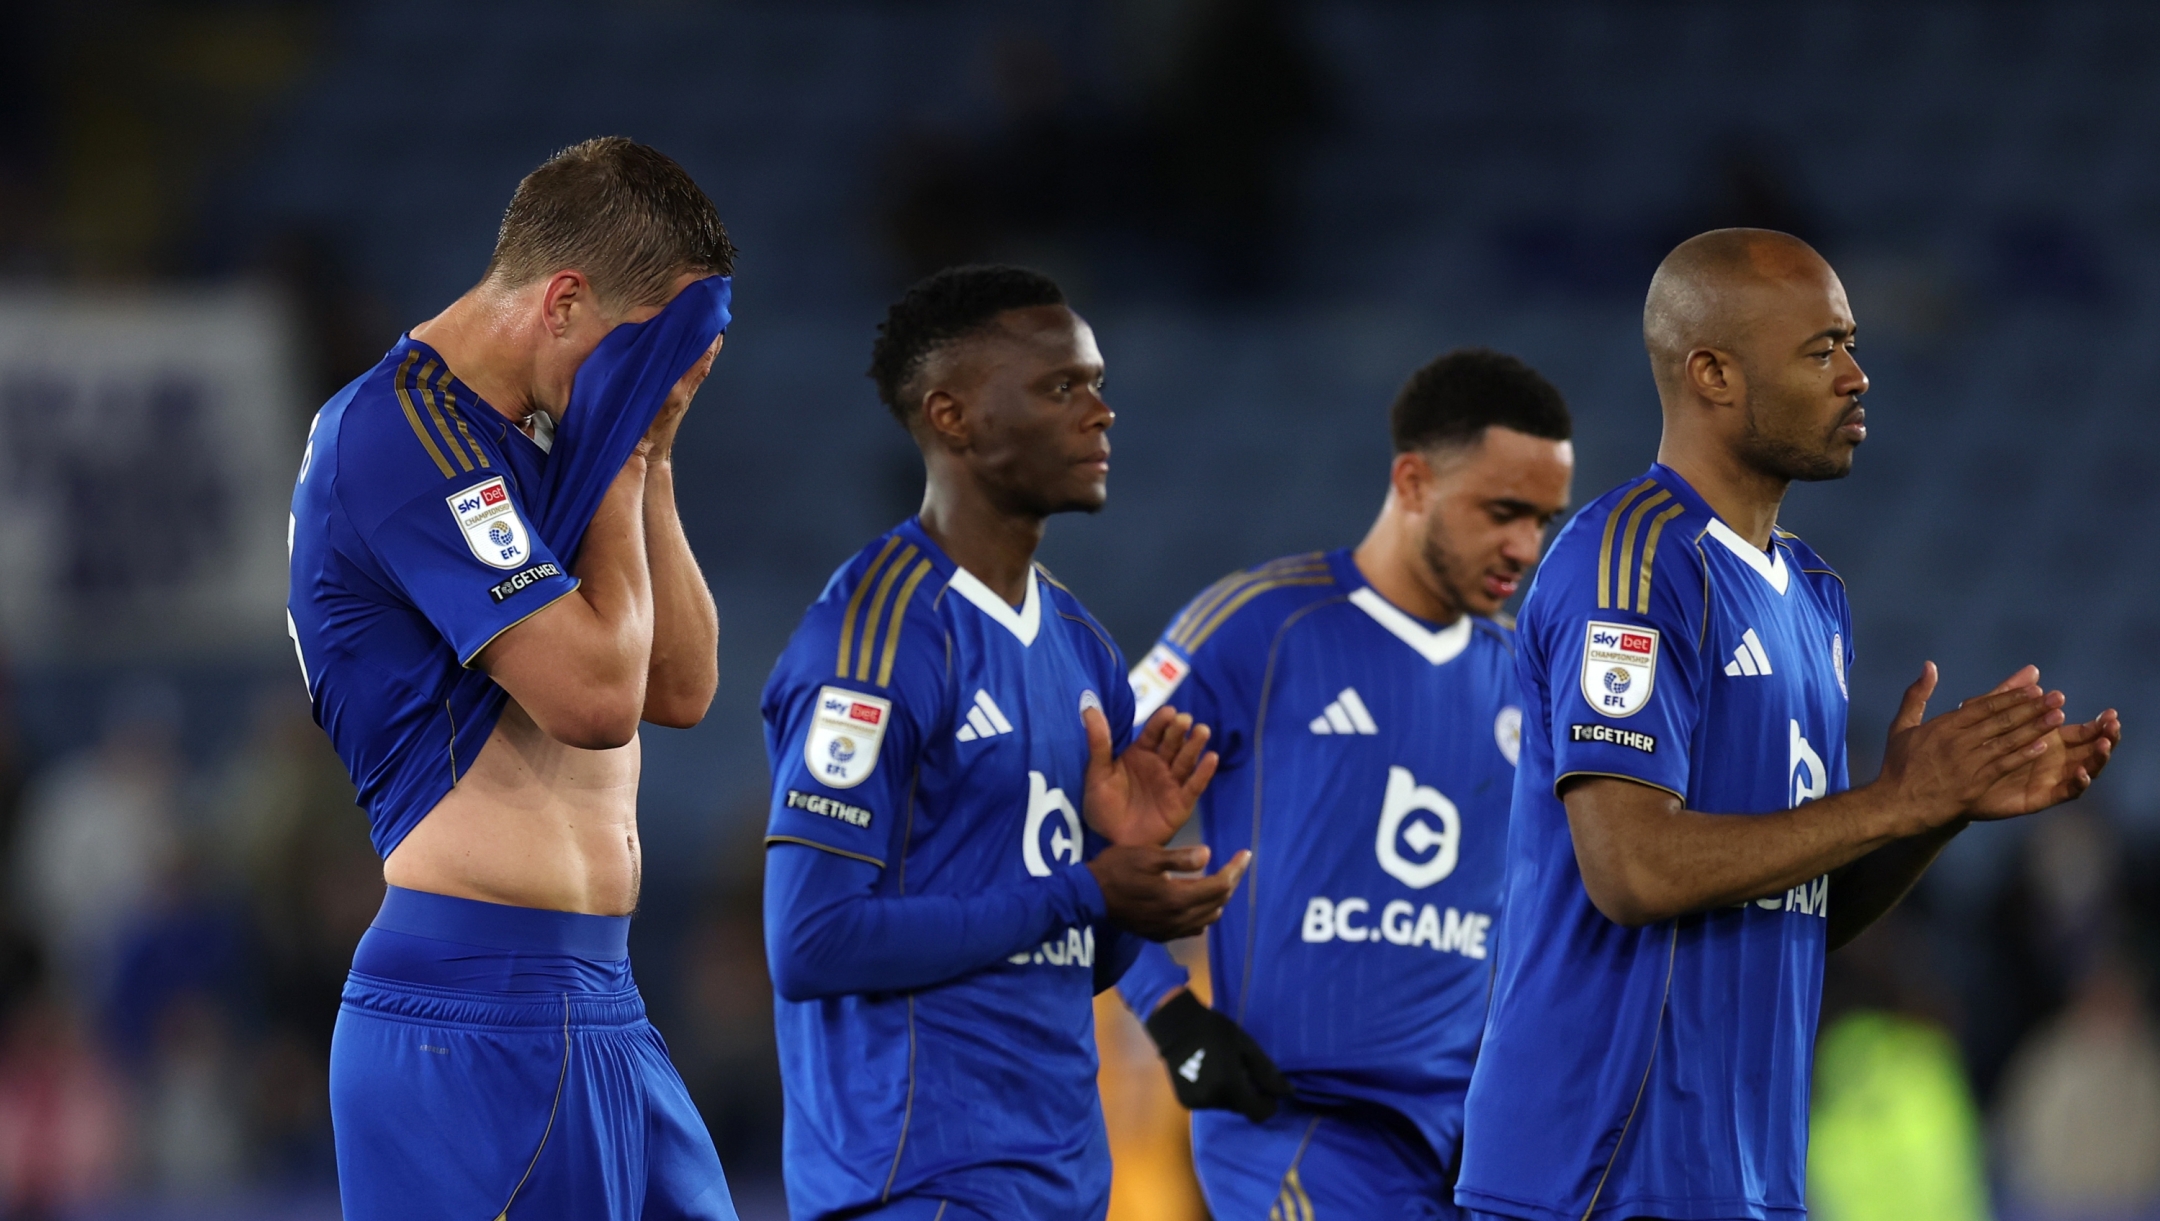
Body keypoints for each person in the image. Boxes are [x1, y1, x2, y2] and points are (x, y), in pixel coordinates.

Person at [1453, 227, 2121, 1221]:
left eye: (1851, 344)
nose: (1857, 376)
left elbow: (1800, 905)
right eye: (1822, 350)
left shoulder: (1813, 595)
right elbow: (1633, 870)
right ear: (1713, 373)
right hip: (1596, 1176)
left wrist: (1933, 815)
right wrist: (1898, 801)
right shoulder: (1631, 564)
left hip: (1744, 1178)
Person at [286, 138, 739, 1221]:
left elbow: (679, 686)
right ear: (565, 300)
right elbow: (593, 701)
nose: (643, 392)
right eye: (642, 357)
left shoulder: (535, 440)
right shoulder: (398, 432)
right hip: (475, 1015)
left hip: (601, 1006)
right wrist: (622, 459)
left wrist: (653, 449)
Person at [760, 264, 1250, 1221]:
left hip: (1061, 1184)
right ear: (954, 418)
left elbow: (1077, 947)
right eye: (1062, 386)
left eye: (1098, 382)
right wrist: (1087, 887)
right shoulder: (875, 637)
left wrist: (1129, 878)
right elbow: (810, 940)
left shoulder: (1081, 647)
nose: (1102, 412)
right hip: (918, 1181)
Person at [1113, 349, 1575, 1220]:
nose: (1525, 547)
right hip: (1301, 1127)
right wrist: (1168, 1014)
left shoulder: (1530, 678)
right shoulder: (1258, 626)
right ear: (1412, 482)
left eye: (1545, 520)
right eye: (1504, 512)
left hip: (1480, 1145)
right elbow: (1077, 818)